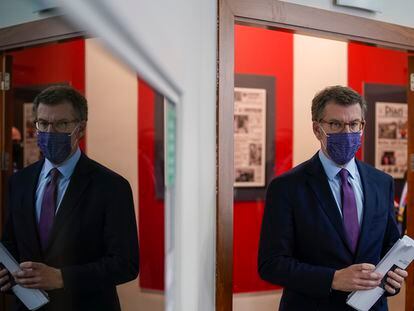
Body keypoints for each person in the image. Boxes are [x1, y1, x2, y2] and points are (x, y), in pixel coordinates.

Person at [258, 86, 408, 311]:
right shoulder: (287, 187)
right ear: (317, 129)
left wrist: (393, 279)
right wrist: (333, 279)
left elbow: (389, 247)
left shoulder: (381, 182)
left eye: (353, 124)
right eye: (336, 124)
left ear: (362, 126)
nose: (347, 132)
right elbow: (271, 264)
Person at [0, 85, 139, 311]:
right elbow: (10, 243)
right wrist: (6, 275)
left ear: (81, 128)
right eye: (43, 123)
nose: (50, 132)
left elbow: (125, 264)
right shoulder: (20, 182)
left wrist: (61, 277)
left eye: (62, 124)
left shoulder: (112, 186)